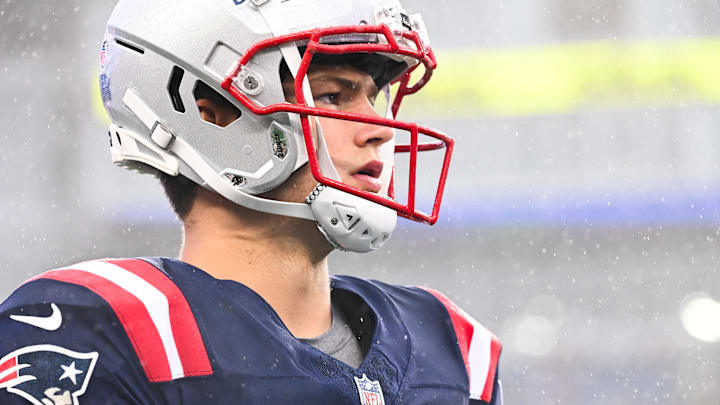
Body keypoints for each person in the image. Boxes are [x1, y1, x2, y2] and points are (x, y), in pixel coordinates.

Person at [0, 0, 502, 404]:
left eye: (373, 96)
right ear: (214, 116)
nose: (376, 130)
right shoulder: (109, 330)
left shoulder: (451, 347)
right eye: (333, 95)